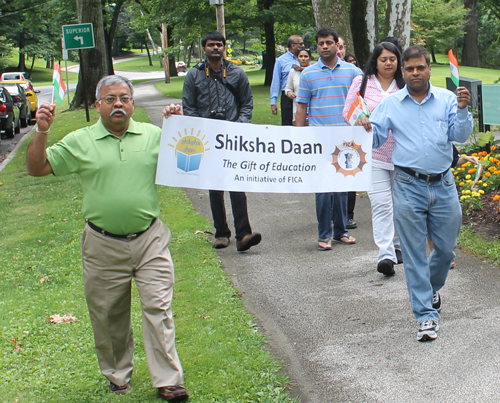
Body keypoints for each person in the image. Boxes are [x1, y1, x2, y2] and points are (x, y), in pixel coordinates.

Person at [25, 75, 189, 402]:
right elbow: (37, 167)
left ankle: (168, 380)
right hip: (102, 243)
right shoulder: (80, 141)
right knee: (109, 314)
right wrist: (41, 131)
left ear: (133, 103)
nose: (118, 104)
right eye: (110, 98)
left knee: (159, 307)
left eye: (124, 98)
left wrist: (179, 127)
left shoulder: (154, 135)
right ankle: (118, 375)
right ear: (97, 104)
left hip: (149, 240)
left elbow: (189, 163)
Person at [368, 46, 473, 341]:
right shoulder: (391, 104)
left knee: (446, 249)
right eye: (410, 69)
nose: (415, 73)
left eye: (420, 68)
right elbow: (375, 137)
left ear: (429, 69)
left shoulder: (448, 99)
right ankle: (426, 316)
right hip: (407, 185)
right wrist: (363, 125)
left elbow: (460, 136)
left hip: (443, 184)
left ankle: (429, 290)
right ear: (403, 72)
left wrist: (463, 110)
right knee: (414, 254)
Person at [182, 31, 262, 252]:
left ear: (224, 47)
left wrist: (239, 125)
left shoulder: (237, 73)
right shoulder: (194, 75)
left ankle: (243, 234)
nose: (215, 48)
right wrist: (203, 128)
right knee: (215, 186)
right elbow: (188, 107)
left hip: (232, 137)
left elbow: (247, 103)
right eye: (211, 45)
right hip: (207, 139)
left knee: (237, 184)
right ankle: (221, 232)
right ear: (204, 49)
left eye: (219, 44)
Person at [295, 27, 362, 250]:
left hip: (345, 137)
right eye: (321, 43)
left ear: (337, 45)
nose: (324, 46)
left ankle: (341, 231)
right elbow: (302, 106)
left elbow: (360, 104)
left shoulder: (353, 72)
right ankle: (324, 234)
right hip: (318, 137)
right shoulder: (308, 74)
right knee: (323, 189)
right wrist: (299, 135)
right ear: (317, 46)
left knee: (342, 187)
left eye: (329, 43)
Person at [342, 41, 405, 276]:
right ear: (375, 61)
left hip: (402, 156)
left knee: (400, 205)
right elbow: (348, 110)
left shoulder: (405, 84)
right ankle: (385, 254)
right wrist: (358, 119)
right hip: (374, 155)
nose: (388, 63)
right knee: (381, 204)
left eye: (392, 59)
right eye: (383, 59)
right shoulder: (363, 82)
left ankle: (397, 246)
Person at [270, 34, 304, 126]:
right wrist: (273, 102)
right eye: (300, 44)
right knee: (287, 125)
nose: (303, 46)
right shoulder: (281, 60)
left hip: (303, 95)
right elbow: (276, 82)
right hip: (287, 97)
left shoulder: (305, 58)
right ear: (293, 45)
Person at [284, 47, 311, 123]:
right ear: (297, 57)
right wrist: (289, 93)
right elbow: (287, 88)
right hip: (297, 110)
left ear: (309, 58)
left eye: (305, 56)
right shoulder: (293, 71)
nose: (303, 59)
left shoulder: (314, 71)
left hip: (313, 112)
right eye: (301, 56)